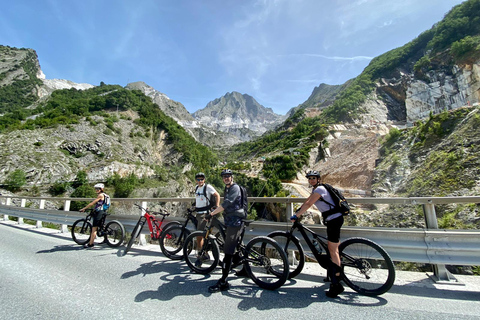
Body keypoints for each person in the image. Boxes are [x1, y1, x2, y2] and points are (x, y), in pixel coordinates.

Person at [291, 170, 345, 298]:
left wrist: (296, 215)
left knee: (333, 251)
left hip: (334, 220)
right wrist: (298, 211)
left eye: (314, 178)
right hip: (333, 219)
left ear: (318, 179)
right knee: (333, 247)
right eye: (309, 178)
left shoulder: (319, 189)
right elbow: (307, 202)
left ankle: (337, 283)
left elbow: (309, 204)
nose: (311, 180)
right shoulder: (317, 190)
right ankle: (335, 271)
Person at [206, 169, 246, 293]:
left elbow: (226, 204)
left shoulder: (234, 188)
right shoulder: (228, 188)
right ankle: (246, 269)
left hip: (235, 222)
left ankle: (223, 281)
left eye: (228, 176)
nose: (226, 178)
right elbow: (224, 204)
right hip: (230, 220)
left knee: (228, 251)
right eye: (224, 177)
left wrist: (212, 213)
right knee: (238, 245)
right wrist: (216, 208)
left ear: (232, 177)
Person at [193, 172, 220, 266]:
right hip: (198, 213)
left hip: (205, 214)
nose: (200, 181)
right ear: (196, 180)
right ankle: (204, 253)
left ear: (204, 180)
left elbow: (217, 195)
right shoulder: (197, 188)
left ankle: (201, 256)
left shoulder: (208, 187)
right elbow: (199, 199)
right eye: (198, 179)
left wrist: (216, 207)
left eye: (201, 179)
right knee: (203, 235)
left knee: (199, 236)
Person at [79, 183, 108, 249]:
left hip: (99, 212)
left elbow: (92, 203)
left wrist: (84, 208)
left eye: (98, 189)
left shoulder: (100, 195)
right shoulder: (105, 195)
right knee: (101, 226)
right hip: (103, 211)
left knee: (94, 228)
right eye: (96, 189)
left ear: (101, 189)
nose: (96, 190)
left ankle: (91, 244)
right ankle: (105, 239)